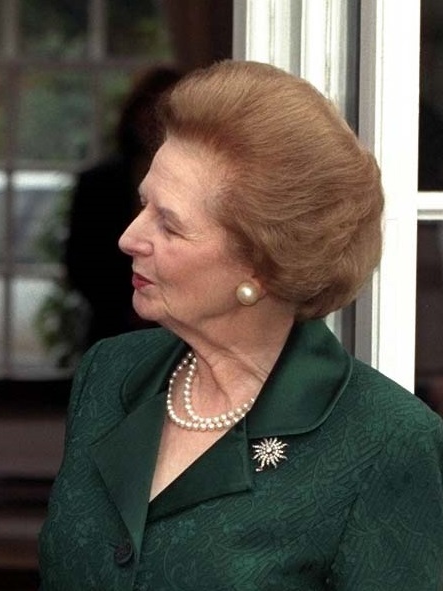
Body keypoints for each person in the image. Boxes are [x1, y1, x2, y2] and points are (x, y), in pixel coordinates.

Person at [39, 60, 443, 589]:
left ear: (259, 263)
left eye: (171, 224)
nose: (130, 238)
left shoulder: (387, 441)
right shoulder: (109, 376)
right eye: (145, 206)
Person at [63, 66, 182, 349]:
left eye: (165, 113)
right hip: (112, 325)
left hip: (180, 327)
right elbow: (80, 260)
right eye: (148, 108)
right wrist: (129, 305)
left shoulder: (199, 183)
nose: (154, 121)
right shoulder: (98, 181)